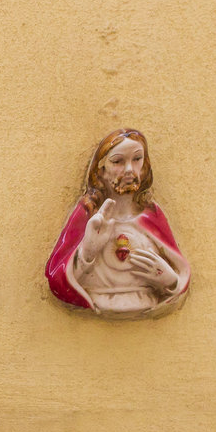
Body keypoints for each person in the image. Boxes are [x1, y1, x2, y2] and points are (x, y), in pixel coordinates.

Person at [45, 128, 189, 319]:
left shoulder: (151, 217)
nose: (129, 169)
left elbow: (179, 274)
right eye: (118, 161)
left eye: (137, 159)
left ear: (145, 167)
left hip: (145, 306)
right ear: (101, 171)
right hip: (98, 309)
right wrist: (87, 252)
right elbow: (59, 279)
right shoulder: (88, 215)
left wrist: (169, 280)